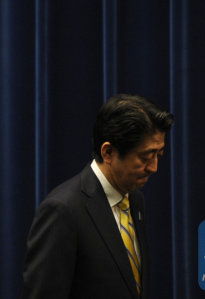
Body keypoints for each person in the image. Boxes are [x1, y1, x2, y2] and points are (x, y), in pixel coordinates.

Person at [22, 94, 174, 299]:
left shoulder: (136, 201)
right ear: (108, 152)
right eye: (145, 157)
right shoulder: (63, 210)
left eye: (159, 155)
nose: (154, 167)